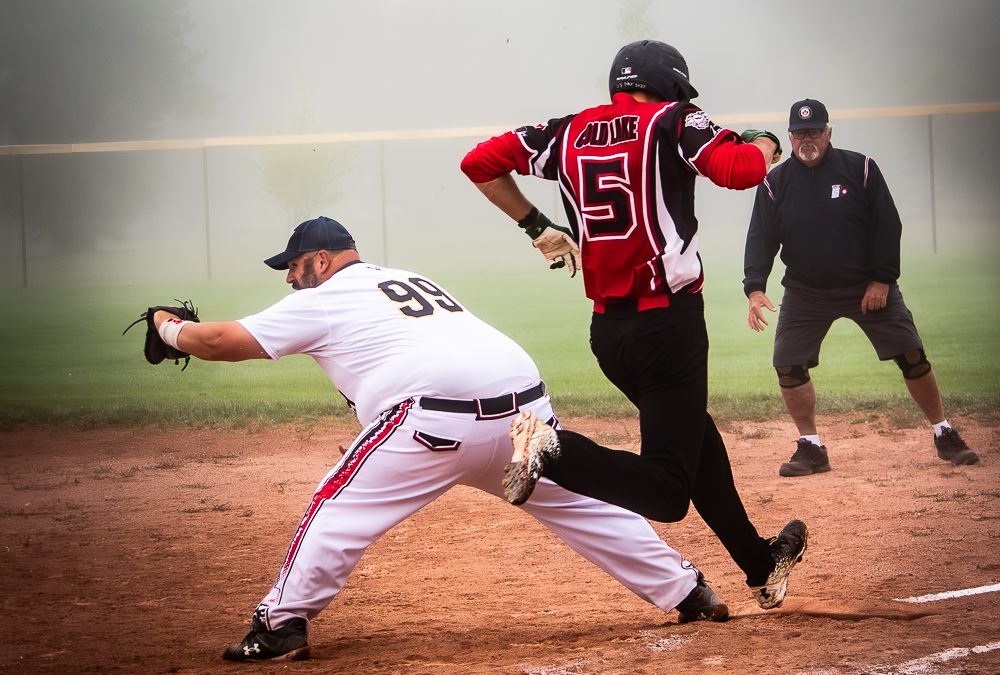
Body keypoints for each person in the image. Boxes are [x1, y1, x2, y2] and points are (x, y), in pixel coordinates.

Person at [149, 216, 731, 663]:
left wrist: (168, 328)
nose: (289, 277)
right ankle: (687, 592)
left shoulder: (326, 296)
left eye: (294, 266)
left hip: (434, 423)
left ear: (321, 261)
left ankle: (279, 626)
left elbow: (223, 341)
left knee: (337, 509)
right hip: (523, 410)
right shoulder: (407, 279)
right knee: (579, 504)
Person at [460, 39, 808, 611]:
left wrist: (536, 224)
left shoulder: (568, 130)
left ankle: (759, 561)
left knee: (697, 439)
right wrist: (764, 142)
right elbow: (741, 170)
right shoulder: (672, 119)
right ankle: (553, 448)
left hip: (609, 334)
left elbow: (479, 162)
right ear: (671, 87)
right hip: (667, 327)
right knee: (668, 490)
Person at [743, 98, 980, 477]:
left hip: (866, 285)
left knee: (911, 355)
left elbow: (888, 224)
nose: (808, 138)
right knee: (788, 365)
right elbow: (760, 238)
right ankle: (812, 447)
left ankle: (944, 432)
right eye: (800, 132)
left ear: (829, 133)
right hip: (806, 290)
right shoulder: (775, 182)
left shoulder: (861, 168)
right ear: (789, 137)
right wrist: (755, 288)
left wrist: (883, 278)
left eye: (815, 131)